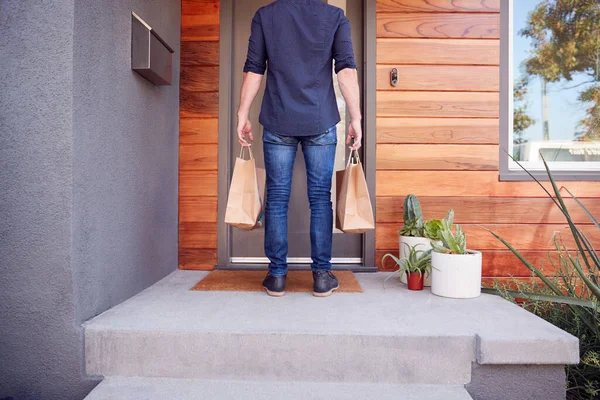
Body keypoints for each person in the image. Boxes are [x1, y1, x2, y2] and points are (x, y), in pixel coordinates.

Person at [236, 0, 362, 298]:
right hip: (320, 120)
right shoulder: (334, 16)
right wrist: (355, 117)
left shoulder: (266, 15)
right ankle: (321, 276)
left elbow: (254, 68)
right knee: (320, 198)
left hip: (278, 119)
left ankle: (277, 276)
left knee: (277, 198)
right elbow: (346, 71)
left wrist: (243, 113)